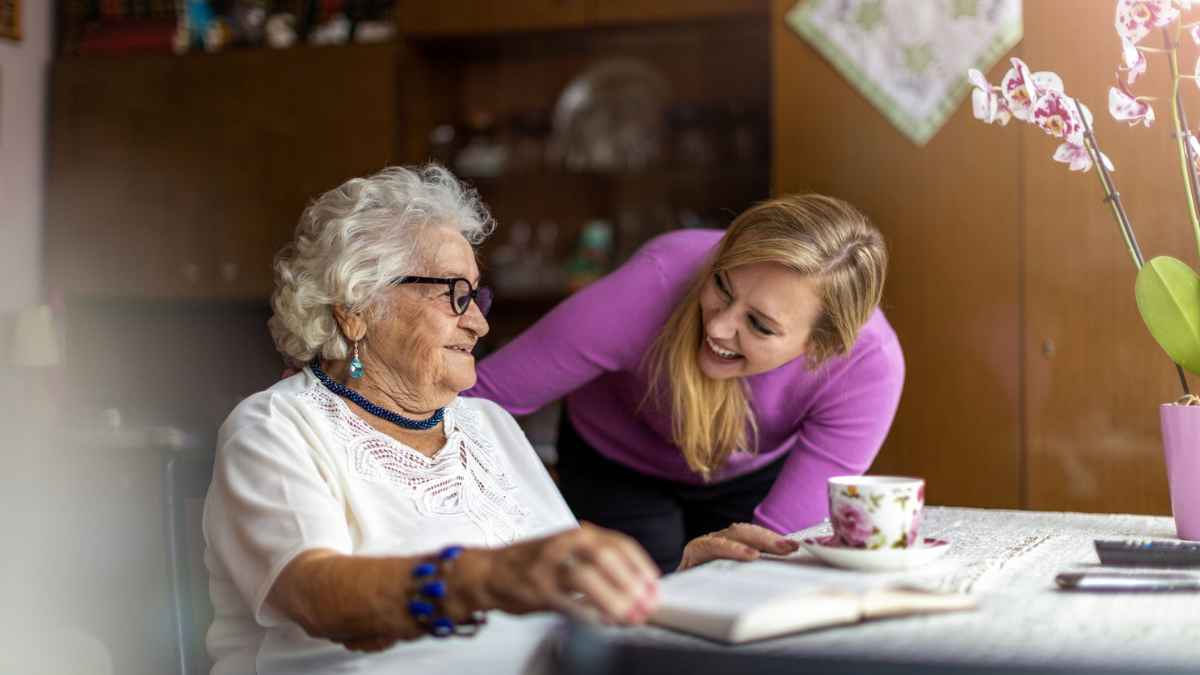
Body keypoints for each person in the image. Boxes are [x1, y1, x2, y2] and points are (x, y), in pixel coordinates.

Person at [202, 165, 799, 675]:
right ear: (357, 310)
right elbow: (317, 595)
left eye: (476, 298)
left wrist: (680, 579)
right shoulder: (277, 429)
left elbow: (560, 588)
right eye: (453, 297)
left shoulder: (485, 424)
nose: (480, 325)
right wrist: (485, 577)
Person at [467, 194, 904, 572]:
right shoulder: (655, 282)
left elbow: (778, 549)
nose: (718, 327)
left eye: (759, 325)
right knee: (632, 614)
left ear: (821, 347)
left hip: (751, 472)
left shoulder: (868, 367)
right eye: (722, 286)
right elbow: (474, 398)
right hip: (617, 461)